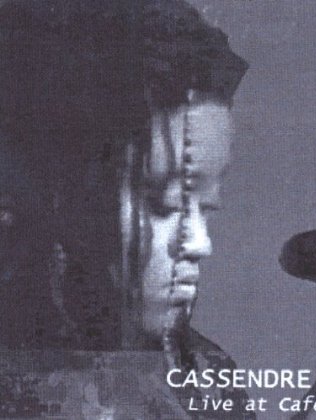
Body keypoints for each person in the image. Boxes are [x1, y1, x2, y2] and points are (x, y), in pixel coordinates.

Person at [0, 0, 254, 418]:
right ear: (66, 198)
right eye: (164, 206)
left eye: (205, 209)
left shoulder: (206, 376)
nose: (198, 244)